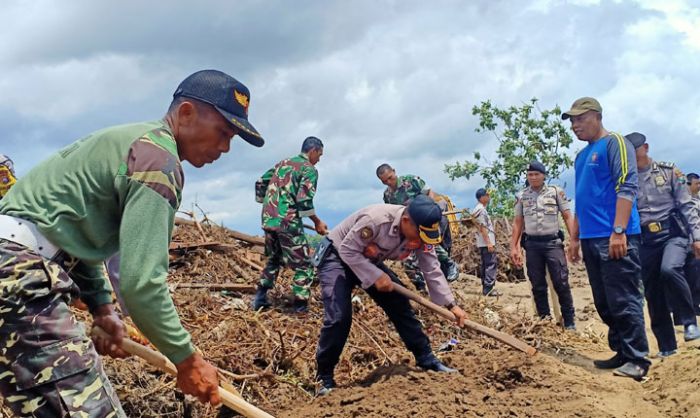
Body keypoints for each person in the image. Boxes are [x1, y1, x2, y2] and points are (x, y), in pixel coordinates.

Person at [0, 69, 264, 416]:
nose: (225, 148)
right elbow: (142, 285)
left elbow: (74, 235)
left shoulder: (131, 143)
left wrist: (102, 309)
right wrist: (188, 360)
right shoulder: (159, 162)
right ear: (186, 113)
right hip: (21, 277)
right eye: (223, 132)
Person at [314, 195, 468, 394]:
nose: (421, 240)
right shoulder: (376, 220)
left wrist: (451, 305)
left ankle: (426, 359)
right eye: (419, 234)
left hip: (367, 260)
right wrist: (376, 275)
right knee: (339, 317)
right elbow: (348, 251)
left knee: (399, 304)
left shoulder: (422, 233)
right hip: (337, 257)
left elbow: (431, 267)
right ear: (405, 221)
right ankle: (324, 378)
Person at [563, 97, 650, 381]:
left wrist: (619, 230)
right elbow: (582, 198)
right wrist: (574, 239)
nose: (575, 126)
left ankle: (637, 360)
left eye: (580, 119)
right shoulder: (581, 156)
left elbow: (627, 185)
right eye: (572, 121)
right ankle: (622, 351)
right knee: (604, 301)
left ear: (597, 116)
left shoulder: (615, 143)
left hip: (615, 237)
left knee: (624, 299)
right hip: (590, 238)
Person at [626, 132, 700, 357]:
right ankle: (667, 346)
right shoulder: (625, 179)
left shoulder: (669, 172)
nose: (631, 156)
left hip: (673, 235)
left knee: (669, 269)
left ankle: (689, 322)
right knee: (653, 292)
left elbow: (687, 205)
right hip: (645, 241)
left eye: (635, 150)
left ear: (645, 148)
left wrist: (697, 237)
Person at [252, 137, 328, 313]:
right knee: (304, 264)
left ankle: (260, 299)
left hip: (268, 219)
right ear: (313, 151)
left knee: (274, 258)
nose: (319, 159)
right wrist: (317, 222)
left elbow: (260, 182)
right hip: (287, 221)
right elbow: (304, 200)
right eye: (320, 155)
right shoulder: (309, 169)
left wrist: (269, 205)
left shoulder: (283, 163)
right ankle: (300, 307)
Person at [510, 161, 576, 329]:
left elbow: (568, 216)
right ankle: (545, 319)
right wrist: (514, 247)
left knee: (561, 282)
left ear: (543, 175)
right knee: (537, 284)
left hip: (553, 244)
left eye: (536, 174)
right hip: (532, 246)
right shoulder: (522, 196)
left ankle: (569, 321)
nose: (533, 177)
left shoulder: (556, 192)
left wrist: (574, 240)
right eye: (530, 175)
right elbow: (518, 223)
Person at [376, 164, 460, 287]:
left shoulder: (411, 181)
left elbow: (429, 192)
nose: (389, 182)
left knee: (428, 243)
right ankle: (420, 285)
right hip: (408, 225)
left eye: (390, 178)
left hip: (426, 218)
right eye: (385, 181)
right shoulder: (387, 195)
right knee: (408, 256)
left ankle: (449, 263)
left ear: (394, 171)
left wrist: (430, 210)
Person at [472, 188, 501, 296]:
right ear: (482, 197)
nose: (489, 197)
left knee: (486, 264)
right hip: (486, 241)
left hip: (482, 241)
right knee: (490, 264)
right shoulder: (481, 210)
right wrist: (489, 242)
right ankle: (488, 288)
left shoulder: (477, 209)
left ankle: (486, 287)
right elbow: (483, 227)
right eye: (487, 195)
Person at [685, 172, 700, 313]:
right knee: (693, 275)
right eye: (697, 183)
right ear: (688, 184)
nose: (699, 186)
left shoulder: (698, 200)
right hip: (688, 243)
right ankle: (694, 305)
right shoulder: (683, 202)